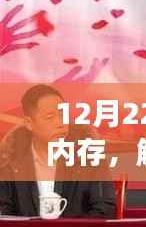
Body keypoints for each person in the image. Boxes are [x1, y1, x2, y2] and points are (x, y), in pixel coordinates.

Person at [0, 84, 115, 218]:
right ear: (29, 123)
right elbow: (2, 210)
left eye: (63, 115)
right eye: (50, 117)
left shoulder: (89, 154)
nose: (60, 124)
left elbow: (104, 208)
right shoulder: (9, 159)